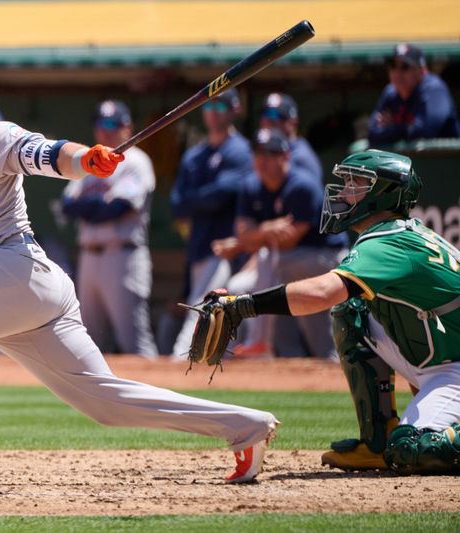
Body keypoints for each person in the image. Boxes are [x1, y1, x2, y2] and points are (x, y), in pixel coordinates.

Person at [0, 54, 279, 487]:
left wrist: (88, 159)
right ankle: (245, 425)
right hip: (10, 290)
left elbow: (49, 154)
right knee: (105, 403)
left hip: (10, 266)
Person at [205, 149, 460, 475]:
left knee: (412, 450)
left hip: (452, 369)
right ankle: (376, 442)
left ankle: (396, 442)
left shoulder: (389, 241)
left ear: (383, 193)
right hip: (440, 357)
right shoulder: (398, 234)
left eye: (357, 183)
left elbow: (322, 292)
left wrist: (246, 306)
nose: (343, 191)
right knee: (352, 311)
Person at [212, 128, 346, 359]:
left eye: (269, 154)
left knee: (270, 261)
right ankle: (288, 357)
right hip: (287, 262)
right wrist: (267, 229)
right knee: (285, 304)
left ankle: (259, 341)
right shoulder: (250, 185)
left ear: (285, 156)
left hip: (326, 258)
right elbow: (244, 233)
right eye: (258, 154)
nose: (262, 161)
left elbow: (287, 240)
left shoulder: (302, 185)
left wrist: (252, 238)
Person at [61, 100, 157, 358]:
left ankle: (153, 393)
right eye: (101, 124)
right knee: (88, 341)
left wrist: (89, 207)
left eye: (112, 124)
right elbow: (68, 205)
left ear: (128, 127)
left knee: (134, 341)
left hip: (122, 257)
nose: (105, 130)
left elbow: (116, 209)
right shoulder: (90, 160)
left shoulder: (136, 160)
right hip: (90, 258)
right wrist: (98, 204)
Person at [169, 88, 253, 359]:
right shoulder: (195, 155)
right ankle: (205, 359)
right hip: (199, 246)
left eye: (220, 107)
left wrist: (196, 199)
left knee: (209, 306)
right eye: (209, 107)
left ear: (234, 110)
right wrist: (201, 198)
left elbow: (222, 195)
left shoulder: (241, 151)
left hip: (227, 249)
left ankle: (183, 355)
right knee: (217, 310)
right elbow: (176, 202)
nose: (213, 113)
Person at [368, 43, 460, 147]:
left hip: (446, 160)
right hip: (409, 160)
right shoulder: (390, 92)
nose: (397, 73)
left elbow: (425, 132)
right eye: (393, 66)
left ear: (422, 71)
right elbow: (372, 133)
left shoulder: (434, 90)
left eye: (405, 67)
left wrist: (392, 127)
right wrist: (406, 128)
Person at [259, 93, 322, 185]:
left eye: (274, 115)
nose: (267, 121)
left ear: (293, 121)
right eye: (264, 114)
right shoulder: (262, 152)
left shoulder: (302, 158)